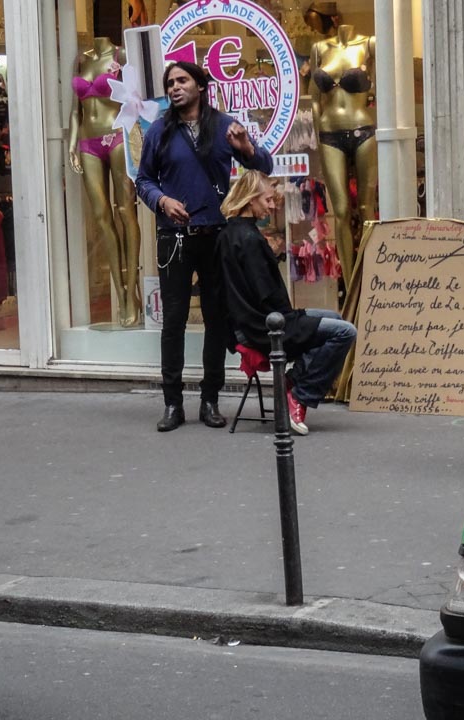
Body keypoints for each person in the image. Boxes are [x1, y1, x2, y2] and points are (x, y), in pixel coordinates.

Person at [137, 62, 273, 432]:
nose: (175, 87)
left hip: (216, 235)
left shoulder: (225, 125)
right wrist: (162, 201)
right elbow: (144, 180)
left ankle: (210, 399)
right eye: (170, 83)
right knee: (173, 322)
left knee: (216, 320)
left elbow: (264, 165)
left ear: (200, 85)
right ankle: (172, 403)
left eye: (182, 80)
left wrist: (247, 148)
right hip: (174, 238)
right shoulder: (159, 130)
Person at [217, 171, 357, 436]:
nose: (272, 206)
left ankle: (294, 380)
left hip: (255, 322)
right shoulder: (250, 239)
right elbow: (266, 294)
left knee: (335, 320)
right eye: (267, 200)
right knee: (346, 332)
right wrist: (295, 319)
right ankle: (299, 393)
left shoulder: (229, 233)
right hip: (266, 326)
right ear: (251, 199)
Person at [68, 38, 142, 327]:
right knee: (101, 216)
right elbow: (75, 111)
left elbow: (138, 99)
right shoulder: (81, 59)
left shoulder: (121, 54)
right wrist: (71, 145)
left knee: (125, 211)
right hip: (87, 142)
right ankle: (120, 292)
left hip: (117, 136)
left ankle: (131, 289)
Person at [304, 1, 378, 289]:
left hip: (363, 129)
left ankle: (372, 280)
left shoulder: (369, 44)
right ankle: (350, 287)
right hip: (329, 134)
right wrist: (317, 133)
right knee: (342, 211)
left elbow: (384, 86)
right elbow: (314, 100)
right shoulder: (319, 49)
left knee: (367, 208)